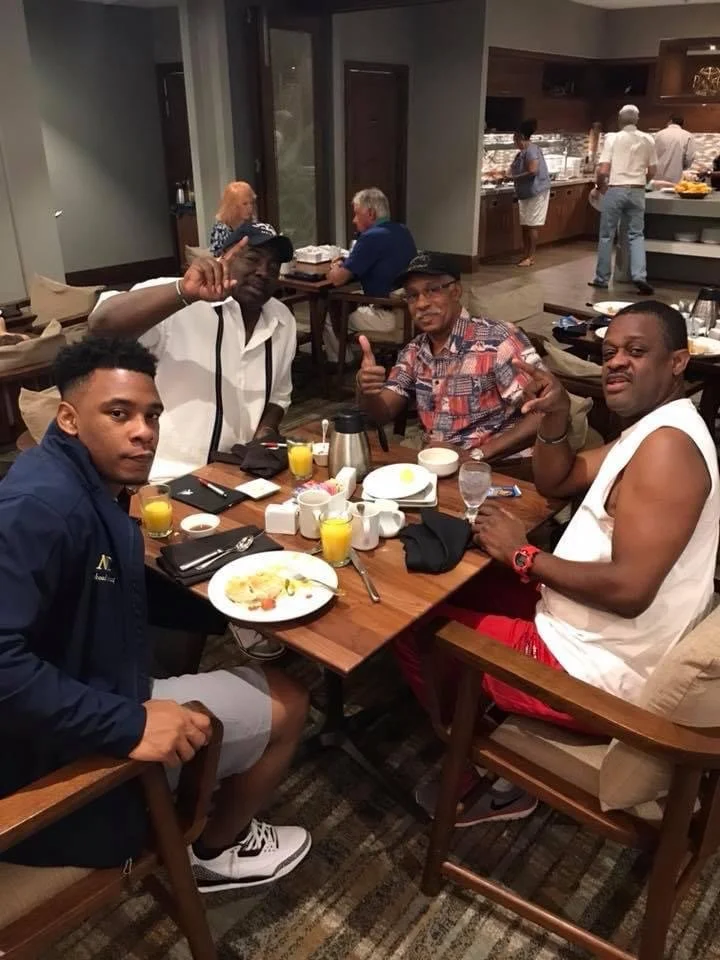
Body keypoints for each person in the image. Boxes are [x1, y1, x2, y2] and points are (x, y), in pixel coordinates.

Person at [0, 336, 311, 890]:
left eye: (152, 415)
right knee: (289, 700)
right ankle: (217, 850)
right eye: (118, 414)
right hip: (51, 761)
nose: (144, 431)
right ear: (69, 418)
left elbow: (118, 586)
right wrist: (129, 723)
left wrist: (229, 610)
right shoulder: (40, 509)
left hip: (88, 686)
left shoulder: (84, 480)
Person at [395, 301, 720, 824]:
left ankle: (479, 775)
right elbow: (559, 479)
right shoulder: (655, 428)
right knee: (451, 586)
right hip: (587, 626)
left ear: (678, 361)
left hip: (593, 672)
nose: (616, 362)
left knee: (415, 627)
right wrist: (555, 416)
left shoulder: (668, 450)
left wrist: (523, 554)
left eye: (637, 351)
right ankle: (481, 715)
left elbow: (630, 590)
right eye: (610, 352)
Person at [90, 222, 296, 482]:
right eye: (253, 259)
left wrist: (265, 433)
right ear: (224, 257)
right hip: (166, 477)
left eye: (274, 266)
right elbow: (102, 326)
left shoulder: (282, 320)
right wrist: (183, 292)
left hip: (240, 472)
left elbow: (279, 395)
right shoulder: (178, 300)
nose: (263, 272)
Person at [356, 252, 541, 460]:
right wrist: (367, 391)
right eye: (412, 295)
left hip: (495, 466)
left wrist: (476, 455)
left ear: (455, 291)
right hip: (434, 464)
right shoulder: (414, 352)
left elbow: (544, 413)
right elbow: (381, 414)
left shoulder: (497, 340)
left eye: (432, 290)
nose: (421, 304)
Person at [324, 188, 417, 363]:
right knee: (349, 300)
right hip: (410, 312)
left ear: (371, 213)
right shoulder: (402, 230)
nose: (354, 220)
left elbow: (337, 279)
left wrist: (335, 266)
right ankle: (360, 352)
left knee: (329, 311)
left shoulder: (370, 237)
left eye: (357, 214)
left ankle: (341, 361)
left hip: (389, 316)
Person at [590, 105, 657, 296]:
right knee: (636, 235)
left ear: (620, 120)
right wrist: (642, 182)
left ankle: (602, 278)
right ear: (637, 119)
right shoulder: (648, 139)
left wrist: (599, 187)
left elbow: (603, 170)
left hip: (616, 189)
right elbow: (653, 170)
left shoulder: (613, 138)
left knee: (607, 235)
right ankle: (639, 276)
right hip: (637, 191)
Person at [509, 119, 551, 267]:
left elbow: (533, 170)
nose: (514, 142)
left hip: (536, 192)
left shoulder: (532, 150)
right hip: (525, 193)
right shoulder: (522, 153)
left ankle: (531, 256)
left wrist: (513, 177)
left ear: (521, 137)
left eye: (515, 139)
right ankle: (525, 254)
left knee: (532, 224)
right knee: (525, 224)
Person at [209, 181, 257, 256]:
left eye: (251, 203)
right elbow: (217, 257)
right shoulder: (221, 229)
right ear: (232, 206)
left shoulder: (253, 225)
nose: (250, 208)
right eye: (245, 204)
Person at [654, 116, 697, 186]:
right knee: (673, 191)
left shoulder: (658, 134)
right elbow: (689, 157)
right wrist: (682, 167)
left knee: (656, 192)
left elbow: (651, 155)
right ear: (682, 124)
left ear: (670, 121)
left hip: (657, 176)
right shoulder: (688, 135)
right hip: (675, 175)